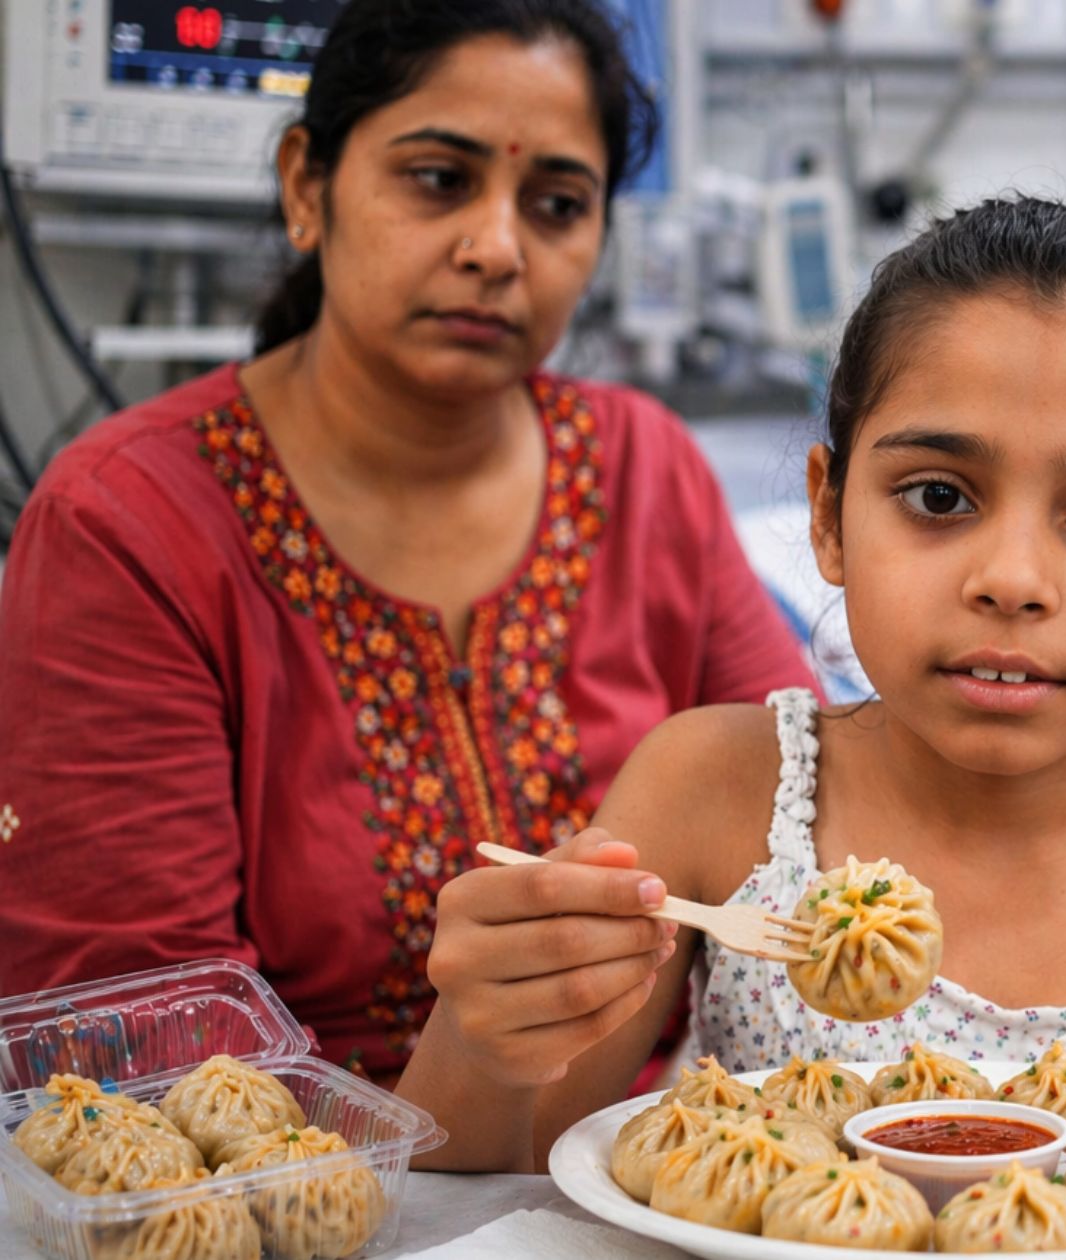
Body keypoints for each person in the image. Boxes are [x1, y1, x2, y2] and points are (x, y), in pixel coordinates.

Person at [395, 196, 1066, 1259]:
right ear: (828, 514)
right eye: (939, 497)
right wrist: (488, 1026)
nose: (1010, 581)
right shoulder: (716, 790)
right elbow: (472, 1192)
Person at [0, 0, 815, 1086]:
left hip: (634, 1180)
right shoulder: (128, 526)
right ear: (306, 186)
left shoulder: (642, 471)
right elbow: (145, 1042)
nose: (494, 248)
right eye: (438, 179)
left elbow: (805, 829)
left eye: (557, 204)